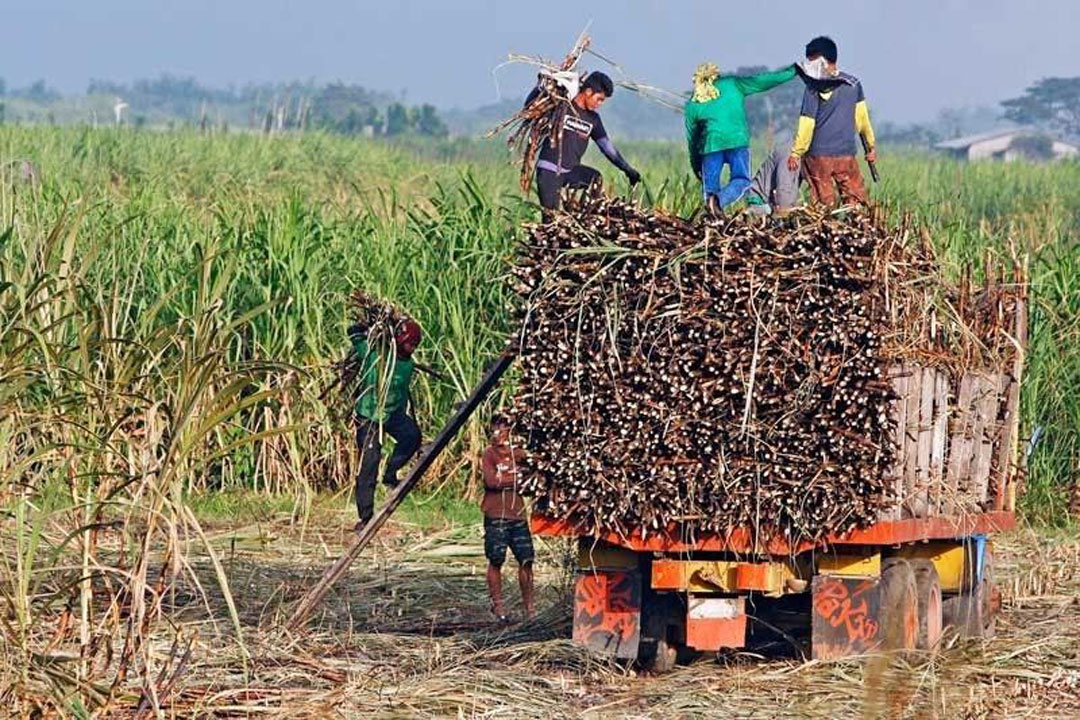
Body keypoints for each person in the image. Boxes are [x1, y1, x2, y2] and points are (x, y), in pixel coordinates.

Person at [684, 62, 797, 215]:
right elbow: (763, 81)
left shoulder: (693, 103)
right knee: (742, 181)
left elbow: (692, 139)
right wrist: (793, 71)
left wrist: (696, 165)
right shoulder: (733, 84)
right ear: (716, 76)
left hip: (710, 145)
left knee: (710, 189)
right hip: (737, 142)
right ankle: (718, 201)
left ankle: (712, 213)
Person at [526, 71, 641, 211]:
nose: (600, 104)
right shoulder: (562, 106)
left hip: (570, 171)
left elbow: (607, 148)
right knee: (551, 217)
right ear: (588, 91)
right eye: (599, 99)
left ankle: (581, 215)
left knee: (595, 179)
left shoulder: (593, 120)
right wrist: (541, 85)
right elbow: (530, 108)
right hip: (549, 170)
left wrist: (627, 169)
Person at [787, 36, 877, 206]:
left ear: (821, 60)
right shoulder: (853, 84)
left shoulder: (813, 87)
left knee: (823, 205)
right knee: (855, 202)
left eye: (811, 62)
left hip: (818, 156)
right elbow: (863, 121)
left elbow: (807, 123)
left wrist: (796, 153)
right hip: (846, 155)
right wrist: (871, 147)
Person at [350, 318, 423, 531]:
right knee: (369, 461)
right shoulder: (376, 356)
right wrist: (361, 330)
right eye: (411, 344)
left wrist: (402, 415)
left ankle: (391, 474)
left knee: (412, 436)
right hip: (369, 416)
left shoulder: (408, 364)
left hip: (391, 414)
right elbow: (354, 336)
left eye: (415, 346)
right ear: (400, 339)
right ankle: (365, 517)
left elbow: (400, 393)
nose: (412, 349)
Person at [481, 414, 535, 622]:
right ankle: (498, 607)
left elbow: (528, 481)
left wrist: (508, 478)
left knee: (527, 559)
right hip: (496, 515)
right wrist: (515, 478)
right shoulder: (489, 454)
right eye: (496, 428)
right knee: (496, 559)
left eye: (504, 428)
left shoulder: (519, 454)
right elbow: (492, 482)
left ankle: (530, 609)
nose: (499, 433)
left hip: (518, 515)